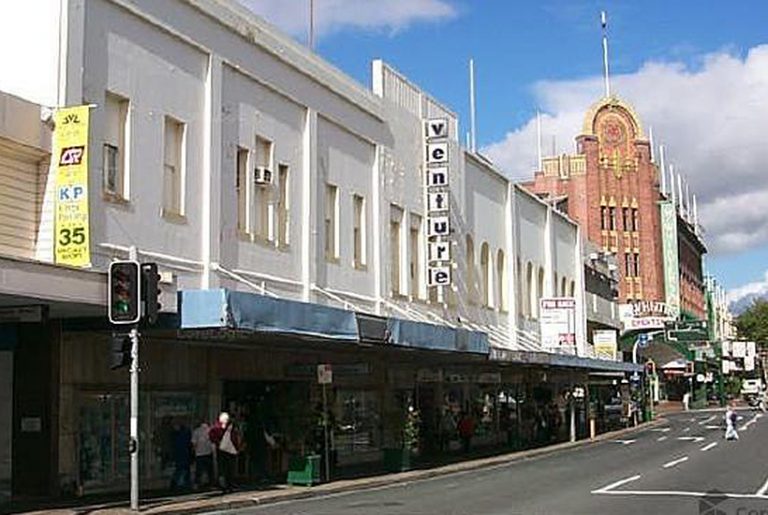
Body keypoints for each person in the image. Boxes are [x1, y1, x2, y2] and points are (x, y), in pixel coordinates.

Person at [209, 412, 241, 492]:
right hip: (230, 450)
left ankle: (224, 485)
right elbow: (235, 438)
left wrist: (217, 443)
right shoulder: (231, 427)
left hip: (221, 449)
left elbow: (212, 436)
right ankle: (229, 485)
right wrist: (237, 448)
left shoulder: (217, 427)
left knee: (223, 468)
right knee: (230, 468)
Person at [170, 421, 193, 490]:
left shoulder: (176, 436)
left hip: (180, 454)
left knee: (180, 469)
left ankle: (179, 483)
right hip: (184, 454)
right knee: (183, 469)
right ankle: (182, 483)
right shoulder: (185, 435)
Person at [191, 420, 214, 489]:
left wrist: (194, 451)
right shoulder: (210, 430)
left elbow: (194, 443)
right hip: (208, 452)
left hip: (199, 453)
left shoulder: (196, 431)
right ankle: (210, 483)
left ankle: (197, 483)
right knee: (209, 470)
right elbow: (213, 442)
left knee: (199, 470)